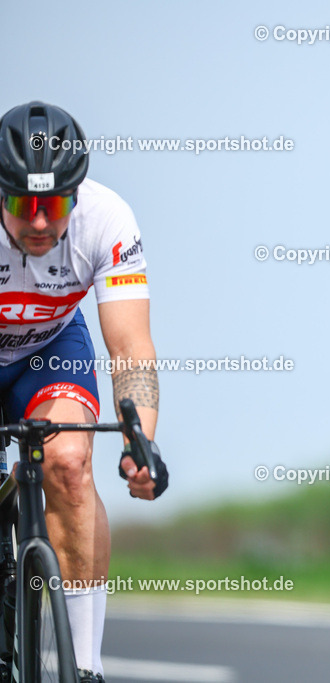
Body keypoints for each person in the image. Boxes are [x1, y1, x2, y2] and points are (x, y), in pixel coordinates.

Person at [0, 101, 168, 683]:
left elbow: (130, 348)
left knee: (69, 463)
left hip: (47, 346)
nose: (41, 223)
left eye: (54, 205)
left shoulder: (107, 218)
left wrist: (140, 445)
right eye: (25, 206)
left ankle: (85, 668)